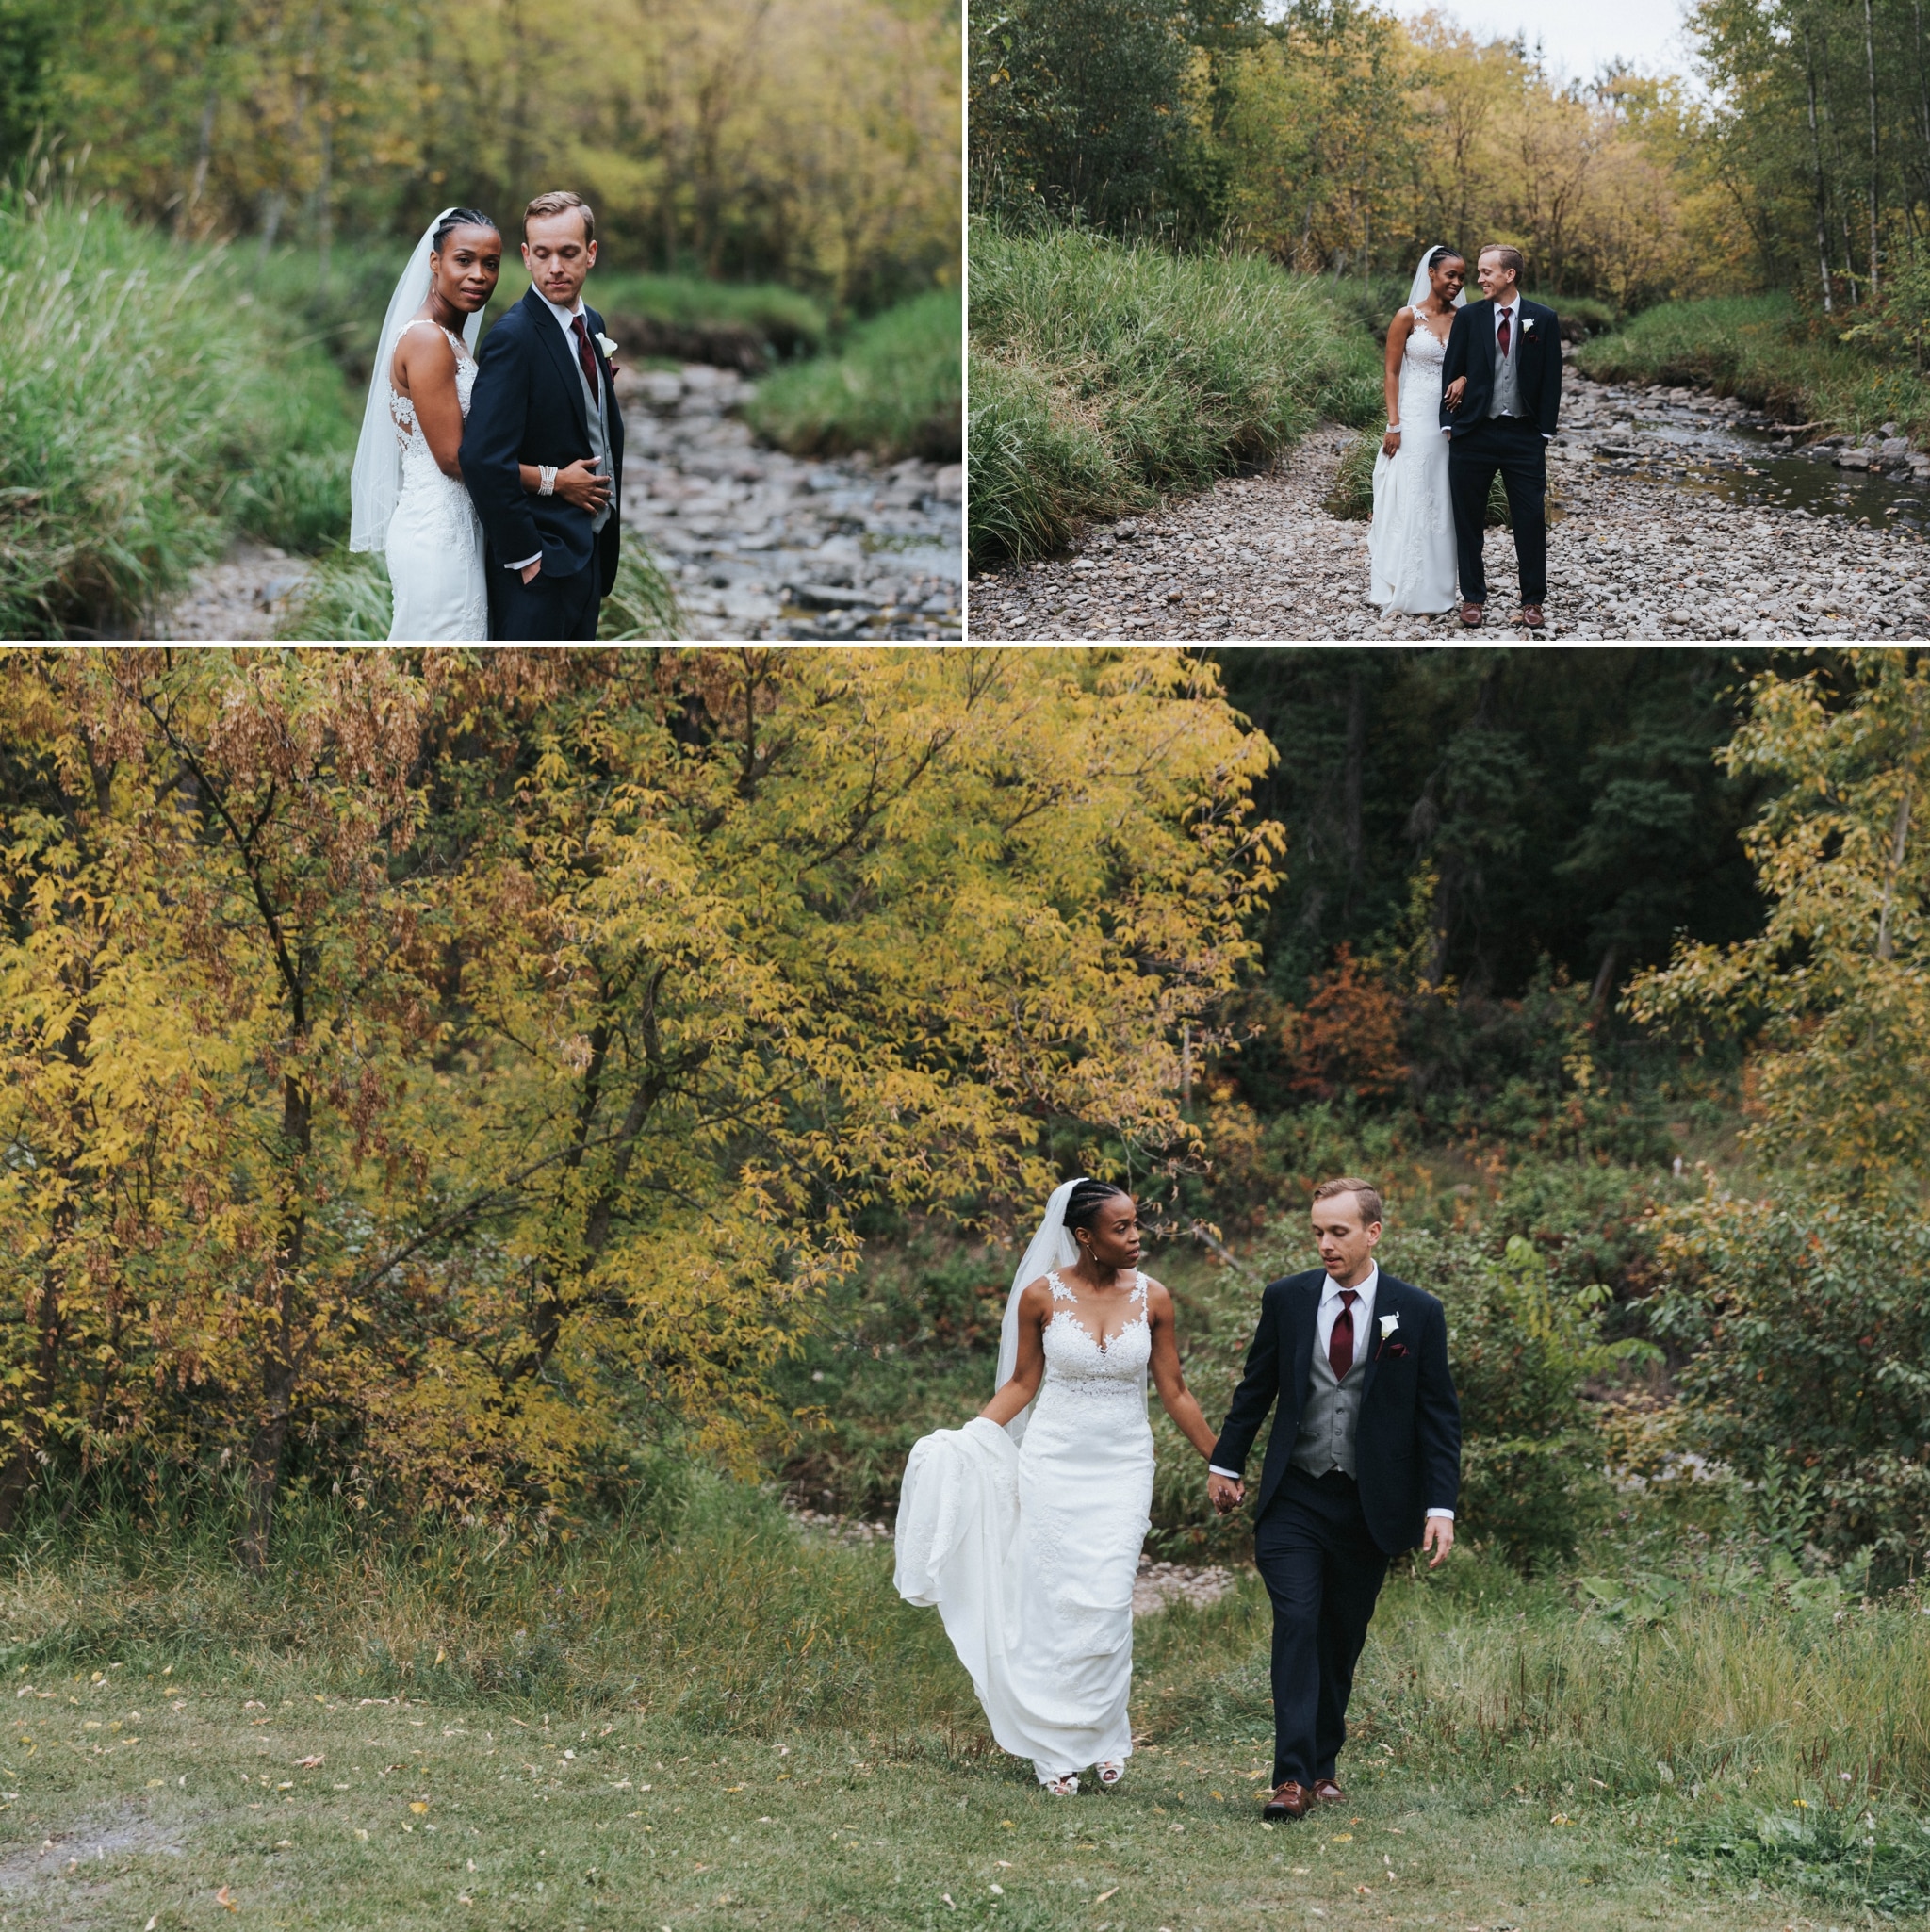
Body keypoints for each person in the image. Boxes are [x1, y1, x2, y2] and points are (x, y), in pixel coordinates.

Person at [894, 1178, 1224, 1795]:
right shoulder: (1040, 1298)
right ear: (1083, 1236)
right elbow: (1022, 1383)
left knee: (1106, 1598)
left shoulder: (1155, 1298)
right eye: (1121, 1228)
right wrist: (968, 1439)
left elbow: (1174, 1391)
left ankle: (1103, 1733)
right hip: (1051, 1463)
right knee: (1053, 1601)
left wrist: (1222, 1462)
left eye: (1136, 1224)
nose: (1136, 1237)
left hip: (1123, 1466)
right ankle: (1054, 1747)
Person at [1207, 1178, 1461, 1821]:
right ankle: (1289, 1779)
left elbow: (1437, 1417)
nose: (1325, 1244)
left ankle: (1323, 1766)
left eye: (1338, 1232)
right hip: (1294, 1497)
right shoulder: (1287, 1299)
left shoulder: (1418, 1311)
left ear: (1373, 1233)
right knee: (1296, 1623)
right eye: (1318, 1231)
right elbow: (1255, 1386)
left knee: (1340, 1637)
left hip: (1369, 1506)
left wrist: (1440, 1507)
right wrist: (1227, 1462)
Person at [461, 190, 626, 642]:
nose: (556, 266)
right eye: (543, 253)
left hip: (590, 554)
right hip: (538, 565)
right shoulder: (513, 338)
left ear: (590, 254)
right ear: (526, 257)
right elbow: (481, 458)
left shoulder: (593, 324)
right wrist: (527, 556)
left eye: (568, 253)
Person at [1439, 244, 1563, 630]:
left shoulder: (1542, 318)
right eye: (1478, 272)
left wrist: (1542, 431)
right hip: (1473, 432)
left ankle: (1533, 602)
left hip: (1524, 436)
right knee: (1468, 520)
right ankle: (1473, 598)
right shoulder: (1469, 317)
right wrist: (1449, 425)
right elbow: (1452, 369)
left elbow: (1551, 377)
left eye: (1486, 272)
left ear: (1509, 275)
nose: (1478, 280)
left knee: (1529, 520)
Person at [1367, 247, 1466, 615]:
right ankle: (1400, 579)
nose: (1456, 283)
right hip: (1411, 418)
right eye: (1450, 276)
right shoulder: (1406, 317)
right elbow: (1391, 373)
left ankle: (1437, 588)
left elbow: (1477, 365)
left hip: (1447, 424)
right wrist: (1394, 424)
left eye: (1461, 277)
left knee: (1439, 499)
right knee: (1408, 494)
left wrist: (1465, 378)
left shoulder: (1465, 319)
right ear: (1431, 274)